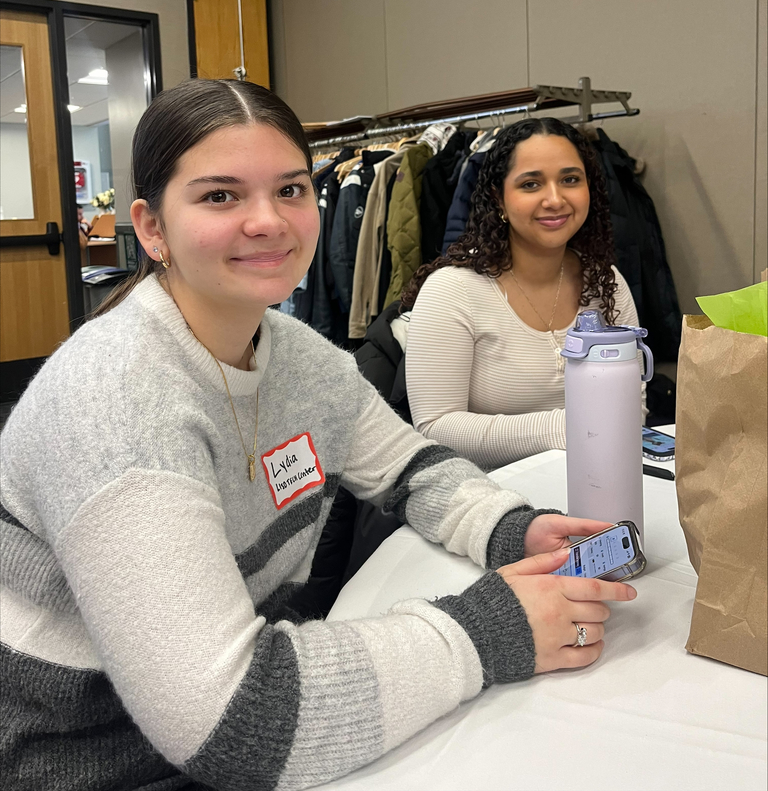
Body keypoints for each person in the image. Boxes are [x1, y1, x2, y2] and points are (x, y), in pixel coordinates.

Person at [0, 81, 636, 791]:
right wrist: (490, 629)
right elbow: (234, 721)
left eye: (291, 190)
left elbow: (412, 466)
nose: (268, 222)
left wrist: (512, 529)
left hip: (226, 734)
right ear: (152, 229)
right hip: (91, 762)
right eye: (220, 196)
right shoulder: (112, 401)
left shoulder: (298, 357)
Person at [403, 117, 643, 469]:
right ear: (498, 199)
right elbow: (435, 427)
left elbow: (634, 407)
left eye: (570, 180)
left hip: (599, 480)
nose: (555, 199)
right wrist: (567, 427)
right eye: (531, 184)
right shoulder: (453, 290)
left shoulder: (606, 282)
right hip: (489, 494)